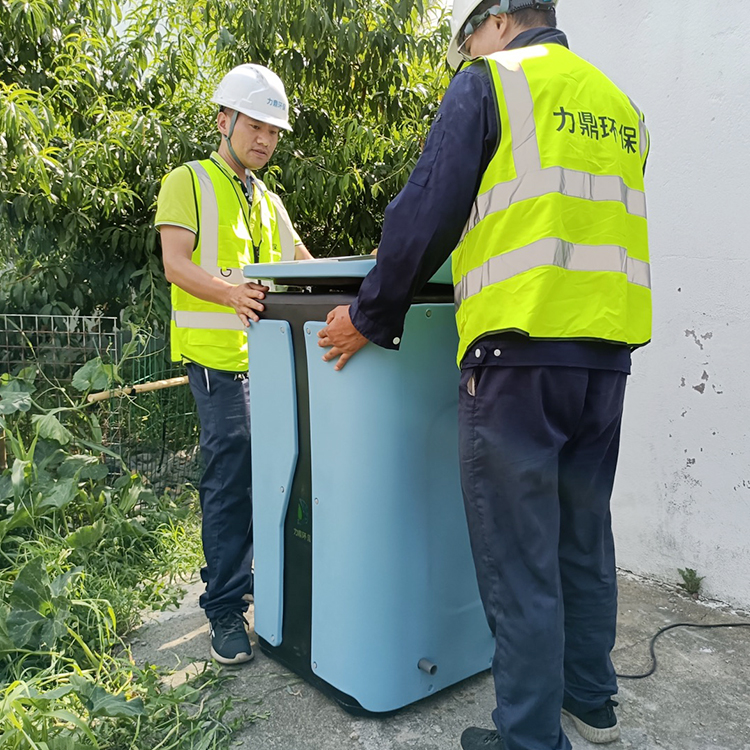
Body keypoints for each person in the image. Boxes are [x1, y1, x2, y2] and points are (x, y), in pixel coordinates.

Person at [317, 1, 651, 748]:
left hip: (518, 359)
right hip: (605, 358)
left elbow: (425, 213)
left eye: (468, 37)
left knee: (521, 555)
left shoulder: (491, 84)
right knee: (582, 536)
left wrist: (371, 316)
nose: (467, 51)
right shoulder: (622, 106)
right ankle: (591, 702)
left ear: (498, 19)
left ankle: (528, 738)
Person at [155, 63, 312, 666]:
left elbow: (304, 264)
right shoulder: (187, 181)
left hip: (273, 369)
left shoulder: (270, 201)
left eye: (275, 130)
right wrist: (228, 292)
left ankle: (263, 588)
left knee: (279, 478)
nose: (266, 139)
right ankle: (223, 608)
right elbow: (176, 263)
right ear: (224, 120)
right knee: (229, 485)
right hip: (220, 367)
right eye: (256, 124)